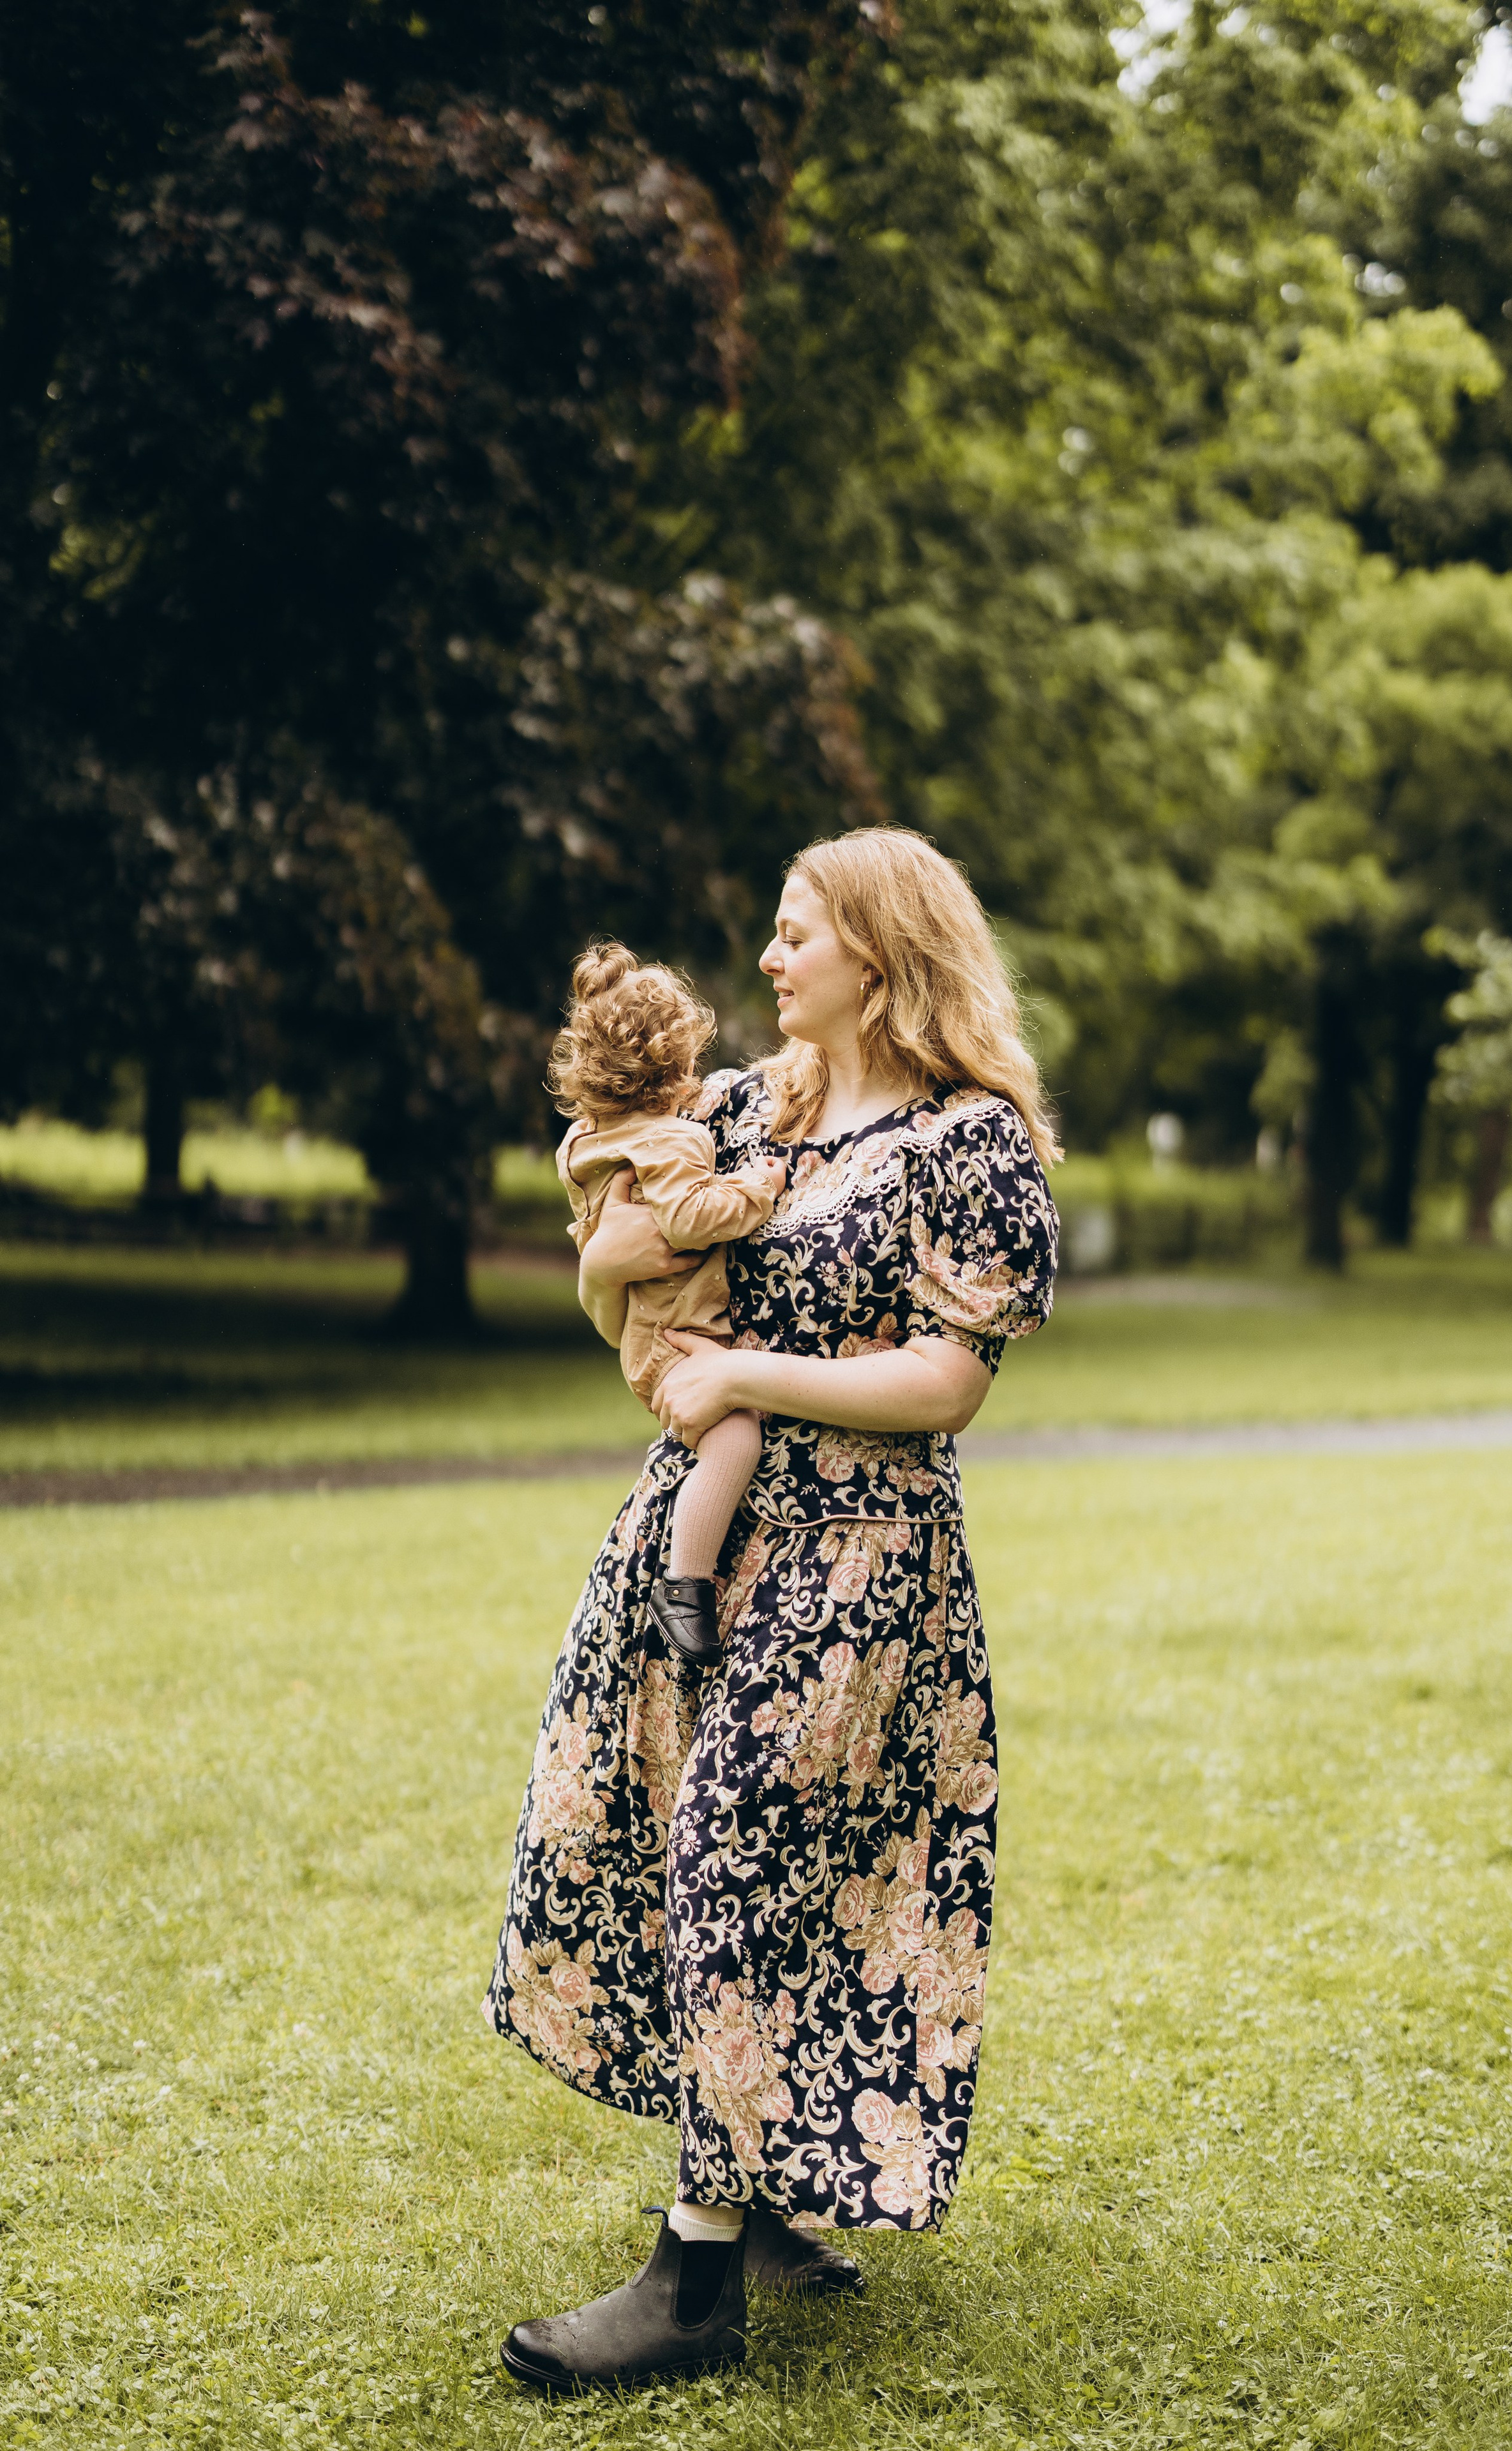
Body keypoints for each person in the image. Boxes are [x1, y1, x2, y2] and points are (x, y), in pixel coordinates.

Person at [485, 827, 1061, 2395]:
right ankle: (766, 2196)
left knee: (747, 1857)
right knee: (673, 1852)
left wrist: (744, 1370)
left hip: (854, 1576)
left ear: (880, 954)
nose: (766, 957)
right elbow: (618, 1248)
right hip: (701, 1548)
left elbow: (943, 1383)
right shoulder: (749, 1109)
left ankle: (693, 2283)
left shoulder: (966, 1146)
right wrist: (619, 1280)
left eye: (796, 931)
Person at [550, 941, 787, 1665]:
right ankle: (686, 1585)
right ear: (678, 1068)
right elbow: (688, 1220)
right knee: (736, 1439)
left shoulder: (582, 1143)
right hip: (678, 1333)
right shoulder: (672, 1141)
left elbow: (602, 1242)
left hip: (642, 1331)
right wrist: (757, 1189)